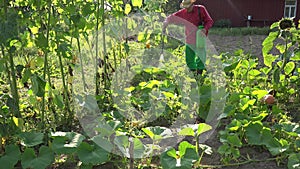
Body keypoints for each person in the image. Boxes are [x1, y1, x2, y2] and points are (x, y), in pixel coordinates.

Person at [163, 0, 213, 75]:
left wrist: (205, 29)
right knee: (189, 57)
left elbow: (209, 21)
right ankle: (193, 74)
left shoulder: (201, 9)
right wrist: (166, 22)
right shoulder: (183, 12)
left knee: (201, 55)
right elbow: (171, 17)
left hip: (200, 36)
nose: (186, 9)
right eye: (185, 7)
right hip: (189, 37)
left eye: (188, 7)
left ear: (192, 4)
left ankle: (199, 73)